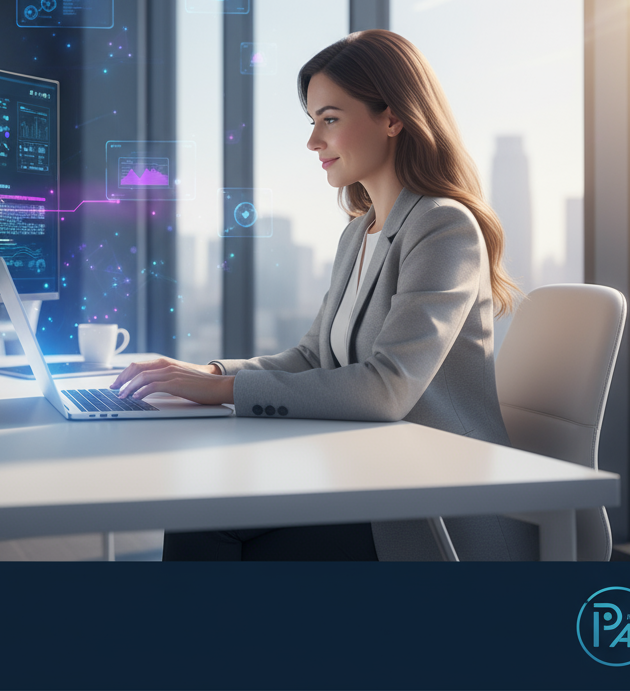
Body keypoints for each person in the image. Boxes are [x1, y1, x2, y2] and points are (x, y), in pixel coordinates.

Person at [110, 30, 539, 562]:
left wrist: (224, 395)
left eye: (330, 119)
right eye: (312, 122)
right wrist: (211, 375)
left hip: (432, 508)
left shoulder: (444, 227)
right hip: (367, 474)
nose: (314, 142)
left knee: (207, 526)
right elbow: (313, 355)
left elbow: (387, 389)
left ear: (393, 117)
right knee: (199, 513)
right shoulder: (359, 233)